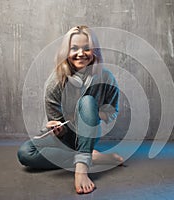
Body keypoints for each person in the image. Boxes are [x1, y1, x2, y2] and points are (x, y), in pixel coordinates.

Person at [17, 25, 124, 194]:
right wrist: (56, 129)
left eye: (86, 48)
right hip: (66, 137)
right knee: (25, 153)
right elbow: (57, 124)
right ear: (66, 52)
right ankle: (92, 158)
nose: (81, 53)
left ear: (94, 51)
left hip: (88, 135)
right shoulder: (55, 82)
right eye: (74, 48)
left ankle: (81, 168)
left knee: (88, 102)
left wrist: (89, 115)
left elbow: (112, 112)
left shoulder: (106, 78)